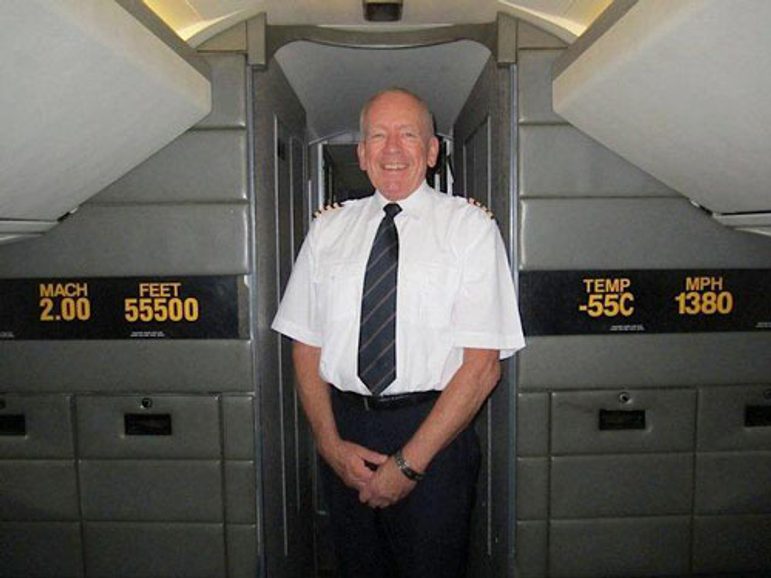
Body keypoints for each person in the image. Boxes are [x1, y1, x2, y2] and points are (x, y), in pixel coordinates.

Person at [271, 88, 525, 578]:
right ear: (361, 153)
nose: (392, 149)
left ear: (432, 151)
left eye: (408, 135)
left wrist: (408, 466)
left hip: (436, 433)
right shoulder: (328, 231)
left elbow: (481, 368)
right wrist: (328, 443)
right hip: (346, 432)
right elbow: (305, 344)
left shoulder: (469, 229)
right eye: (378, 136)